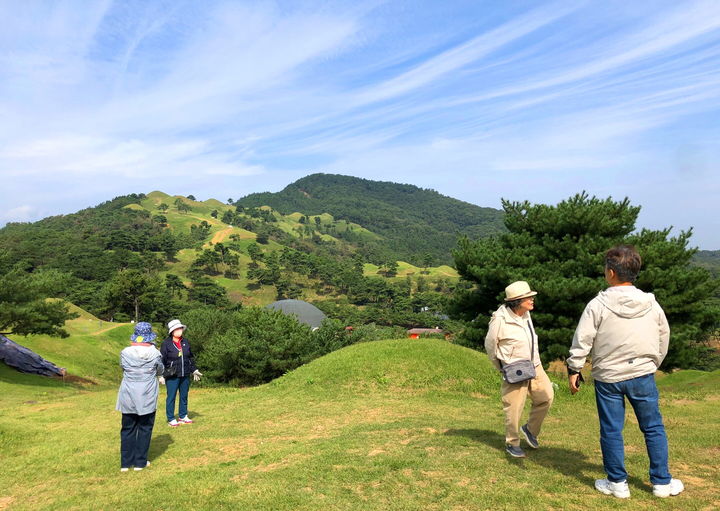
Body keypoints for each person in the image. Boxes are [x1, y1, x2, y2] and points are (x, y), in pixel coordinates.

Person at [566, 245, 683, 499]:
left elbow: (582, 339)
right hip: (643, 373)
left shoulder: (597, 304)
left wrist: (574, 368)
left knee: (611, 429)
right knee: (653, 427)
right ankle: (662, 483)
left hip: (608, 377)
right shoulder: (651, 304)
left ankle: (617, 483)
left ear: (610, 273)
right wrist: (653, 363)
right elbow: (664, 337)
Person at [485, 281, 554, 458]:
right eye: (528, 297)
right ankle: (512, 442)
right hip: (514, 369)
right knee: (514, 407)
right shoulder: (500, 320)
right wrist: (502, 367)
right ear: (517, 301)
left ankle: (530, 430)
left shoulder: (526, 315)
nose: (532, 299)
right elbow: (490, 345)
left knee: (546, 396)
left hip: (534, 365)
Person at [116, 322, 164, 472]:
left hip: (128, 393)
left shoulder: (125, 352)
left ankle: (125, 462)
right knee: (145, 427)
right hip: (147, 393)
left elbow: (122, 367)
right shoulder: (155, 353)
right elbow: (159, 369)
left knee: (128, 427)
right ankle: (140, 462)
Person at [160, 319, 202, 427]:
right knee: (171, 397)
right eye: (177, 329)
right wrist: (161, 374)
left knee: (184, 396)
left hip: (185, 374)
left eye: (180, 328)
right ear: (172, 331)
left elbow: (190, 358)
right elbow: (162, 360)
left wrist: (194, 369)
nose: (180, 330)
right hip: (172, 375)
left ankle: (183, 416)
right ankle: (171, 418)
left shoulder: (185, 342)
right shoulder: (166, 344)